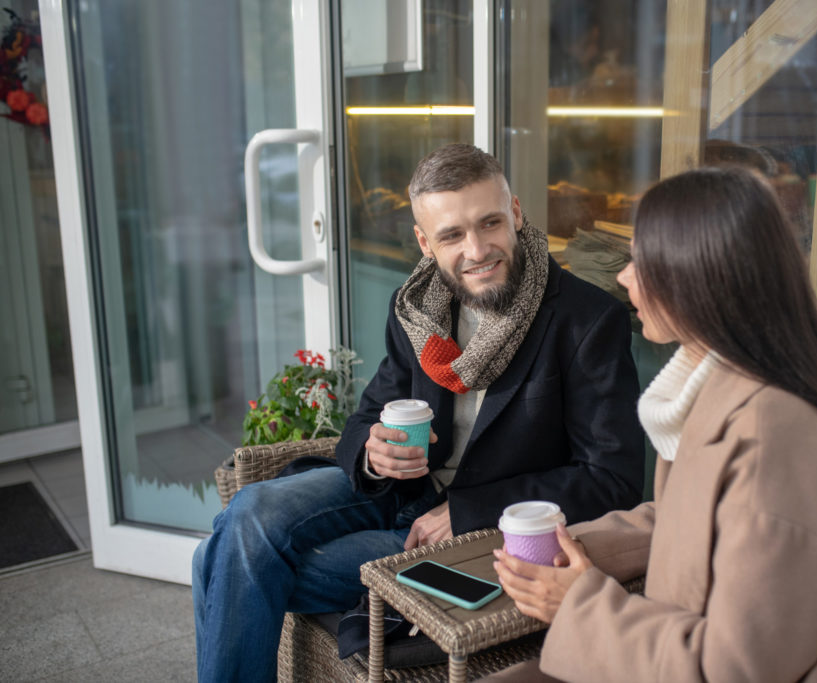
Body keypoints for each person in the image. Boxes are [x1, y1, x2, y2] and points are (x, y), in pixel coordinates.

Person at [191, 143, 645, 681]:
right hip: (398, 489)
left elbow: (612, 481)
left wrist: (469, 511)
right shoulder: (418, 310)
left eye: (490, 223)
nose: (477, 249)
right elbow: (367, 416)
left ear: (517, 214)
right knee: (251, 514)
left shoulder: (586, 321)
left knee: (216, 562)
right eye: (452, 235)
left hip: (476, 534)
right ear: (425, 243)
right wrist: (372, 452)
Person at [489, 166, 817, 682]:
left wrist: (579, 602)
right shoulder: (723, 390)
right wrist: (579, 550)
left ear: (698, 277)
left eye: (641, 262)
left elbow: (740, 668)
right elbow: (689, 519)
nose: (624, 277)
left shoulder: (775, 438)